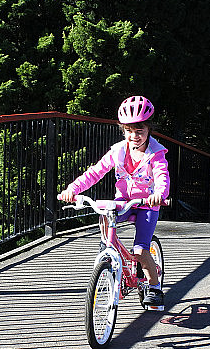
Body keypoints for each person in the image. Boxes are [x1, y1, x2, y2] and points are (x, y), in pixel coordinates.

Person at [57, 96, 170, 308]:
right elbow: (95, 172)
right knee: (105, 214)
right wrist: (72, 189)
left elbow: (162, 176)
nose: (134, 136)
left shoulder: (156, 154)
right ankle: (108, 249)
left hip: (147, 203)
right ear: (123, 130)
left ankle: (154, 286)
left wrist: (160, 194)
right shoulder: (117, 151)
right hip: (124, 200)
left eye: (140, 131)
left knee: (140, 249)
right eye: (129, 131)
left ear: (149, 129)